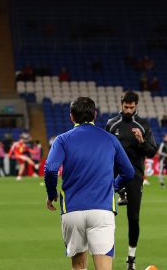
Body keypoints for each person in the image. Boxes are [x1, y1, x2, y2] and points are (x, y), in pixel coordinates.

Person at [47, 97, 134, 270]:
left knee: (78, 265)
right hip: (102, 210)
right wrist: (114, 187)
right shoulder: (110, 139)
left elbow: (50, 169)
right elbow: (129, 172)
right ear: (95, 114)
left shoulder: (62, 140)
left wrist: (51, 195)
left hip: (72, 210)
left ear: (71, 116)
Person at [105, 91, 157, 270]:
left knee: (133, 218)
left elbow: (152, 151)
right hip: (112, 175)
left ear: (136, 106)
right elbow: (104, 150)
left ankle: (131, 261)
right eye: (125, 107)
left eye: (131, 107)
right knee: (105, 218)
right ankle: (105, 260)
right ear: (121, 105)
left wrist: (142, 141)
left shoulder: (142, 125)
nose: (128, 110)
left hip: (134, 175)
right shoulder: (111, 124)